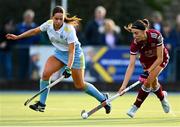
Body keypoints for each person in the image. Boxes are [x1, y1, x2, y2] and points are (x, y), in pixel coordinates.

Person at [6, 6, 111, 114]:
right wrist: (18, 37)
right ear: (52, 17)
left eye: (61, 19)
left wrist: (68, 68)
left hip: (75, 56)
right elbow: (34, 31)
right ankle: (42, 104)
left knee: (79, 84)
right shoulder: (48, 24)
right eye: (56, 18)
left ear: (63, 18)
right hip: (59, 54)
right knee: (46, 74)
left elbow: (72, 52)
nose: (58, 21)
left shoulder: (69, 29)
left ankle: (103, 98)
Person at [118, 19, 170, 118]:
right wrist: (123, 86)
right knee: (153, 83)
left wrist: (148, 72)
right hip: (146, 61)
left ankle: (135, 107)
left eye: (136, 33)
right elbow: (131, 65)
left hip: (161, 59)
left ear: (144, 31)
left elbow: (160, 58)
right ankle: (163, 98)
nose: (134, 36)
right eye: (133, 33)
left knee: (148, 81)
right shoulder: (135, 44)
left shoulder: (156, 35)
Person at [15, 9, 41, 79]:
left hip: (33, 51)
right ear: (24, 17)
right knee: (22, 66)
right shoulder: (18, 26)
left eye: (30, 17)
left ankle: (30, 84)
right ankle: (21, 83)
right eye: (27, 17)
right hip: (22, 51)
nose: (29, 19)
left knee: (32, 68)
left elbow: (38, 39)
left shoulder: (36, 27)